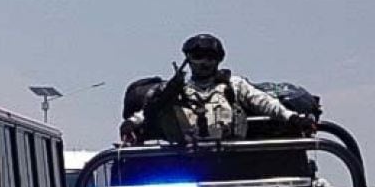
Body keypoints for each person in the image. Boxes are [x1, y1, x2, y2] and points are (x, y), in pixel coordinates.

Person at [120, 33, 305, 144]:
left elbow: (264, 102)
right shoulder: (171, 90)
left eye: (210, 57)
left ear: (218, 60)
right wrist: (132, 123)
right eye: (198, 56)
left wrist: (292, 117)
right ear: (189, 59)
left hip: (232, 156)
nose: (204, 62)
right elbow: (148, 111)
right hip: (185, 160)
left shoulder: (234, 85)